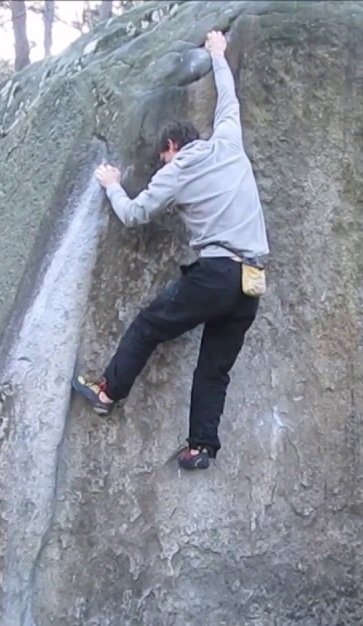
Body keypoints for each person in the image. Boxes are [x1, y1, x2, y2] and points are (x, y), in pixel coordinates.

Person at [73, 29, 269, 471]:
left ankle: (108, 392)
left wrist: (112, 187)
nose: (163, 164)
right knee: (214, 368)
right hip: (251, 281)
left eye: (162, 158)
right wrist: (218, 54)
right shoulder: (228, 142)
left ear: (170, 147)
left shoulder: (176, 168)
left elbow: (136, 214)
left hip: (216, 273)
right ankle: (201, 447)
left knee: (148, 325)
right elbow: (228, 99)